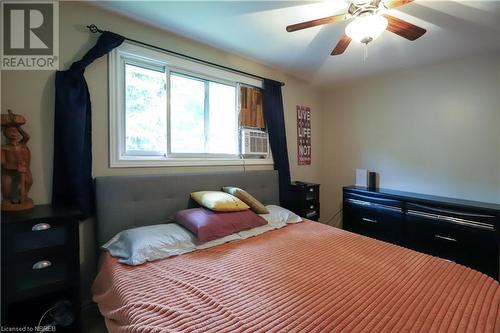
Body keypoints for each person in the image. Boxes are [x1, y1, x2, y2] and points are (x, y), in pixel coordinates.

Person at [1, 110, 33, 210]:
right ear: (5, 134)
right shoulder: (3, 147)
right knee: (6, 182)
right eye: (11, 131)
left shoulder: (22, 144)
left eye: (16, 131)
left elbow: (27, 136)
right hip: (10, 171)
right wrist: (16, 167)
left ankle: (23, 197)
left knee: (29, 181)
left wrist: (18, 126)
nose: (14, 133)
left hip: (24, 170)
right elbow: (3, 163)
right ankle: (7, 200)